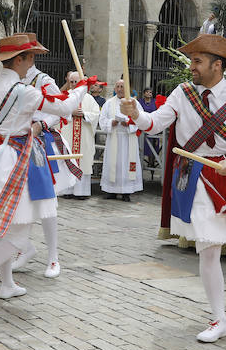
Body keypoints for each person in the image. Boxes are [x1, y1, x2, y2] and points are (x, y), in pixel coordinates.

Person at [120, 34, 226, 342]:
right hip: (198, 176)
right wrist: (136, 113)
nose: (192, 67)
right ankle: (219, 319)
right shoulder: (182, 93)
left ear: (217, 66)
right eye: (192, 60)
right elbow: (154, 123)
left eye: (197, 61)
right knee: (208, 248)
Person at [0, 34, 92, 313]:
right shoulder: (25, 91)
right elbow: (63, 107)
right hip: (17, 161)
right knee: (17, 234)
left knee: (8, 227)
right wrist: (81, 89)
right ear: (19, 59)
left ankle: (7, 284)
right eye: (30, 57)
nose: (32, 63)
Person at [13, 35, 82, 278]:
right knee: (21, 199)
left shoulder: (44, 80)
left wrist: (41, 124)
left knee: (46, 202)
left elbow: (62, 107)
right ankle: (23, 249)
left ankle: (53, 258)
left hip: (42, 145)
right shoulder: (13, 80)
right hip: (19, 144)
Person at [58, 70, 99, 198]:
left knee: (83, 161)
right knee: (67, 159)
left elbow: (96, 114)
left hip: (84, 136)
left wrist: (84, 114)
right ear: (68, 82)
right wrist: (70, 112)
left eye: (76, 81)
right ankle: (67, 191)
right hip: (68, 134)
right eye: (71, 82)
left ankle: (82, 192)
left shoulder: (89, 98)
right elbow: (58, 113)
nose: (74, 84)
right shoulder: (65, 96)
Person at [99, 79, 143, 201]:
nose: (119, 89)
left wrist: (129, 124)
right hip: (114, 137)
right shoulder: (109, 103)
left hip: (128, 139)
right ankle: (111, 191)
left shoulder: (134, 103)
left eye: (122, 86)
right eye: (117, 86)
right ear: (114, 89)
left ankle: (126, 192)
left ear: (127, 88)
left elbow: (141, 119)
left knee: (126, 165)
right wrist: (111, 122)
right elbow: (102, 119)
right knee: (114, 164)